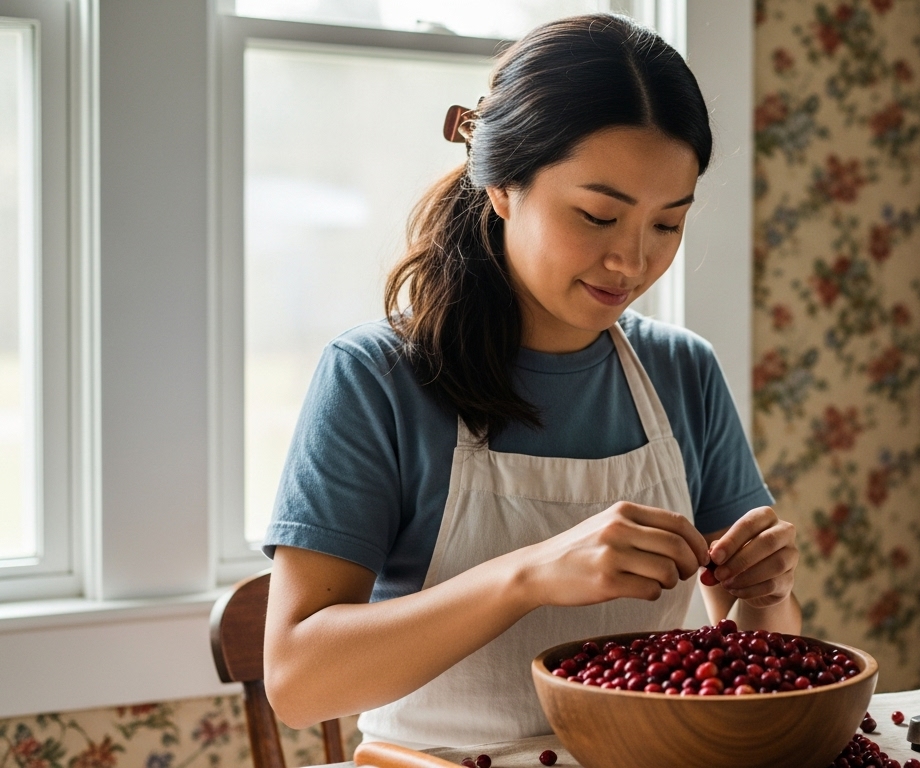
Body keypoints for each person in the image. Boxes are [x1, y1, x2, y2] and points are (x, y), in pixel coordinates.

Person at [260, 13, 799, 749]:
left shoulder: (683, 372)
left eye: (667, 225)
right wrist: (530, 574)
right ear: (503, 185)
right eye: (597, 215)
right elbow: (298, 682)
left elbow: (746, 652)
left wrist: (766, 598)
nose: (632, 262)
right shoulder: (376, 378)